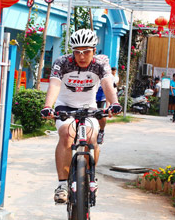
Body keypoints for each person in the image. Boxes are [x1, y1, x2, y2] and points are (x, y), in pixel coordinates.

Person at [40, 29, 122, 204]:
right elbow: (54, 84)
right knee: (66, 135)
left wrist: (114, 103)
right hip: (65, 106)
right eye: (77, 52)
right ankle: (62, 185)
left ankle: (91, 177)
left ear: (94, 50)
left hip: (89, 107)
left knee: (92, 139)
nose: (82, 56)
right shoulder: (62, 62)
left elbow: (108, 84)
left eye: (86, 51)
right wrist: (48, 106)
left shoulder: (100, 64)